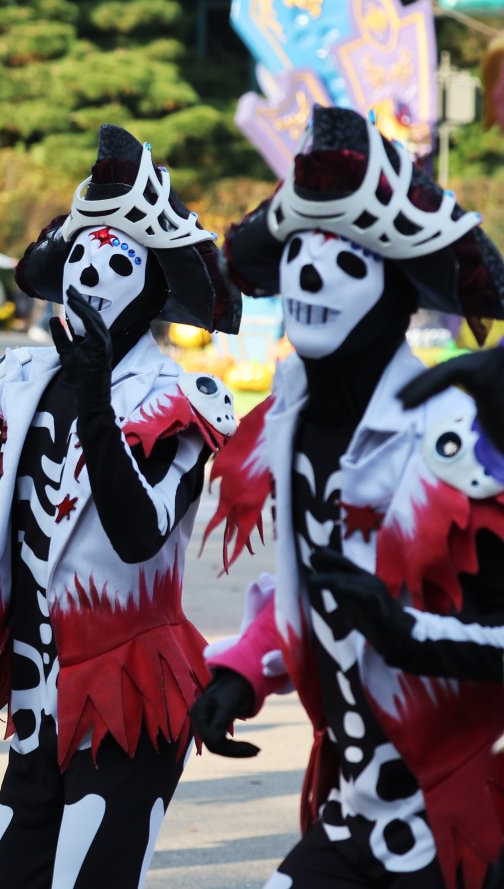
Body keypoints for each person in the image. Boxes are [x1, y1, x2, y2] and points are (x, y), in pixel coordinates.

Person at [0, 124, 243, 888]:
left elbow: (139, 533)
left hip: (129, 699)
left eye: (120, 257)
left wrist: (98, 397)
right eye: (84, 251)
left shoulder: (181, 402)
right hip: (34, 695)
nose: (93, 271)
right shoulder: (21, 380)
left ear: (156, 283)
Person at [192, 105, 504, 889]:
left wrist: (413, 635)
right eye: (298, 253)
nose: (309, 276)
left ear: (398, 290)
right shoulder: (289, 418)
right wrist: (243, 669)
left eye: (345, 262)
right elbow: (320, 594)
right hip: (350, 806)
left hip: (466, 813)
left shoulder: (469, 437)